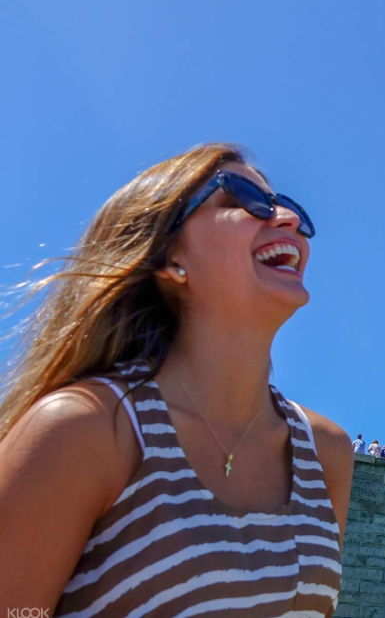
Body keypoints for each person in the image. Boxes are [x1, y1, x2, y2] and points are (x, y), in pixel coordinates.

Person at [0, 144, 352, 614]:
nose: (285, 216)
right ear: (170, 260)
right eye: (242, 198)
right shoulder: (84, 430)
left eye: (289, 207)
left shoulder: (325, 452)